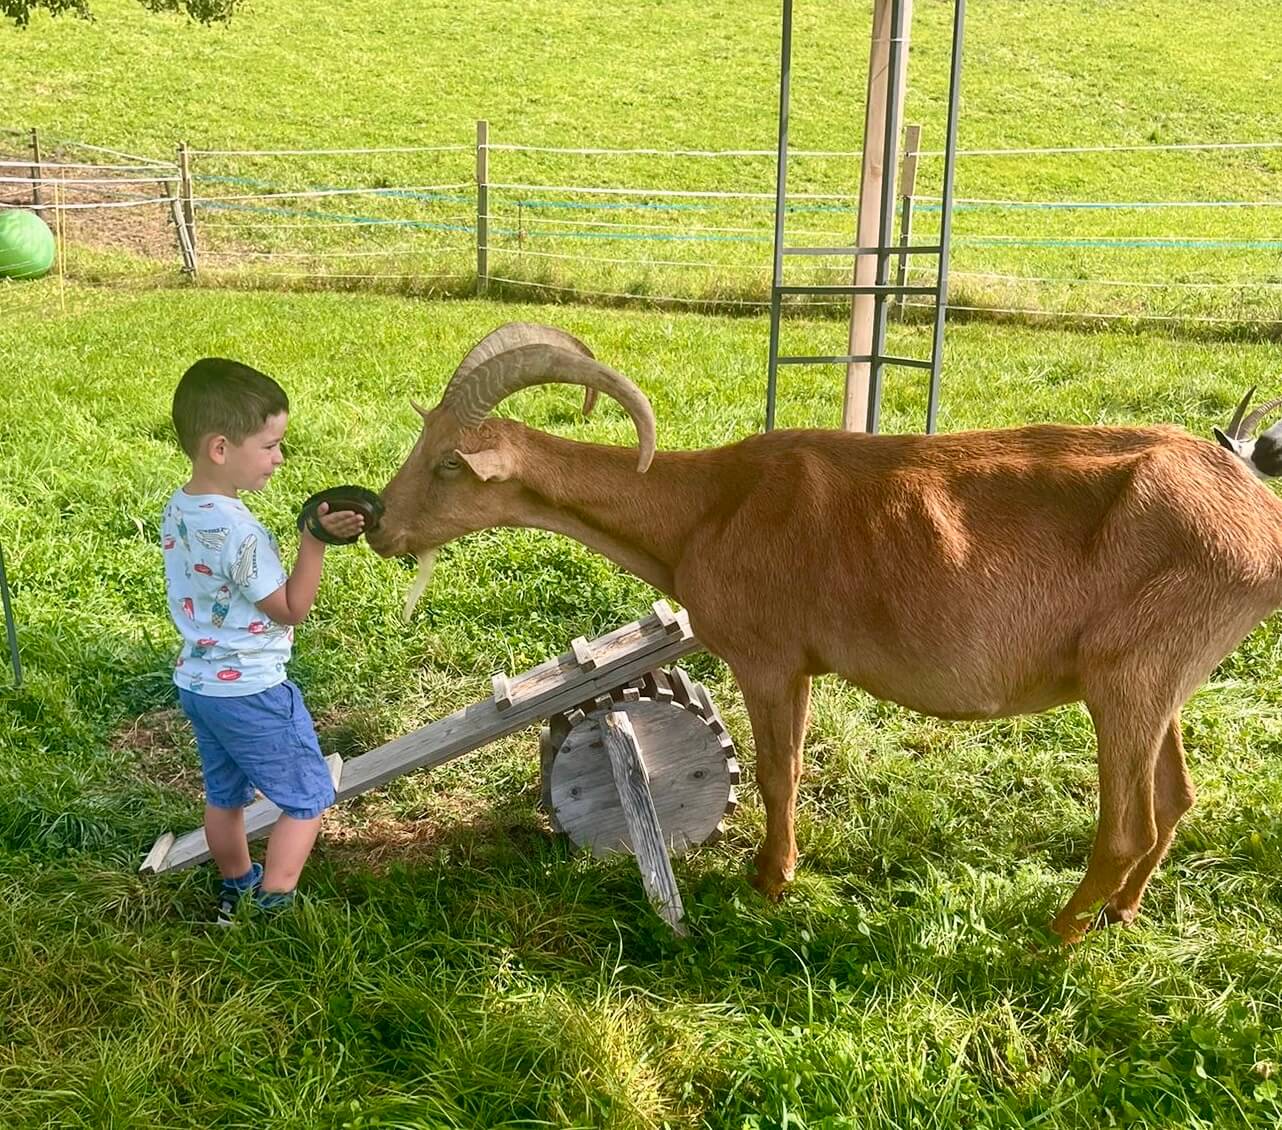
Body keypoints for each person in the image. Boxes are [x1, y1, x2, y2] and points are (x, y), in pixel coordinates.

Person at [162, 357, 363, 924]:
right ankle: (272, 909)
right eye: (271, 445)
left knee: (224, 797)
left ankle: (236, 888)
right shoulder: (240, 533)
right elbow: (291, 608)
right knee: (306, 798)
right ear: (220, 448)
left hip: (200, 684)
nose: (279, 458)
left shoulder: (180, 509)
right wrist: (314, 540)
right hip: (252, 691)